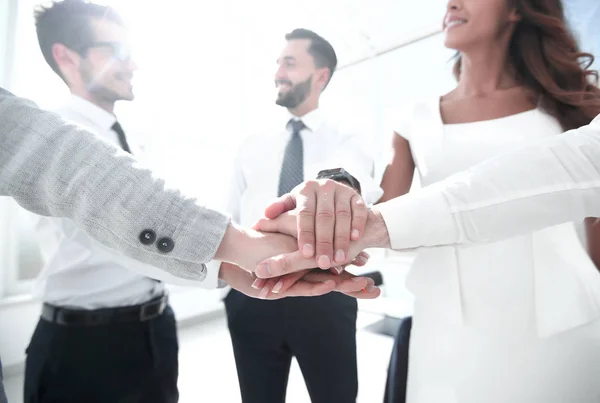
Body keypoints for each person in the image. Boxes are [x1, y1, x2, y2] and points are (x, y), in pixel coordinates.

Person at [260, 0, 600, 401]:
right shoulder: (414, 119)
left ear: (516, 9)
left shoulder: (576, 102)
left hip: (564, 328)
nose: (452, 2)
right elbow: (377, 210)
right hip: (446, 330)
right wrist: (333, 199)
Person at [26, 2, 177, 401]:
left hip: (155, 329)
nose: (133, 65)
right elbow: (128, 226)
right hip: (84, 347)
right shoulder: (54, 136)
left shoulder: (130, 136)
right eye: (115, 51)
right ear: (66, 57)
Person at [221, 28, 382, 403]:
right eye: (278, 63)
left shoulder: (349, 136)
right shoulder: (251, 144)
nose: (278, 72)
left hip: (324, 296)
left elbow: (354, 181)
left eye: (290, 63)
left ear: (321, 75)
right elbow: (227, 213)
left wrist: (339, 186)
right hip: (252, 294)